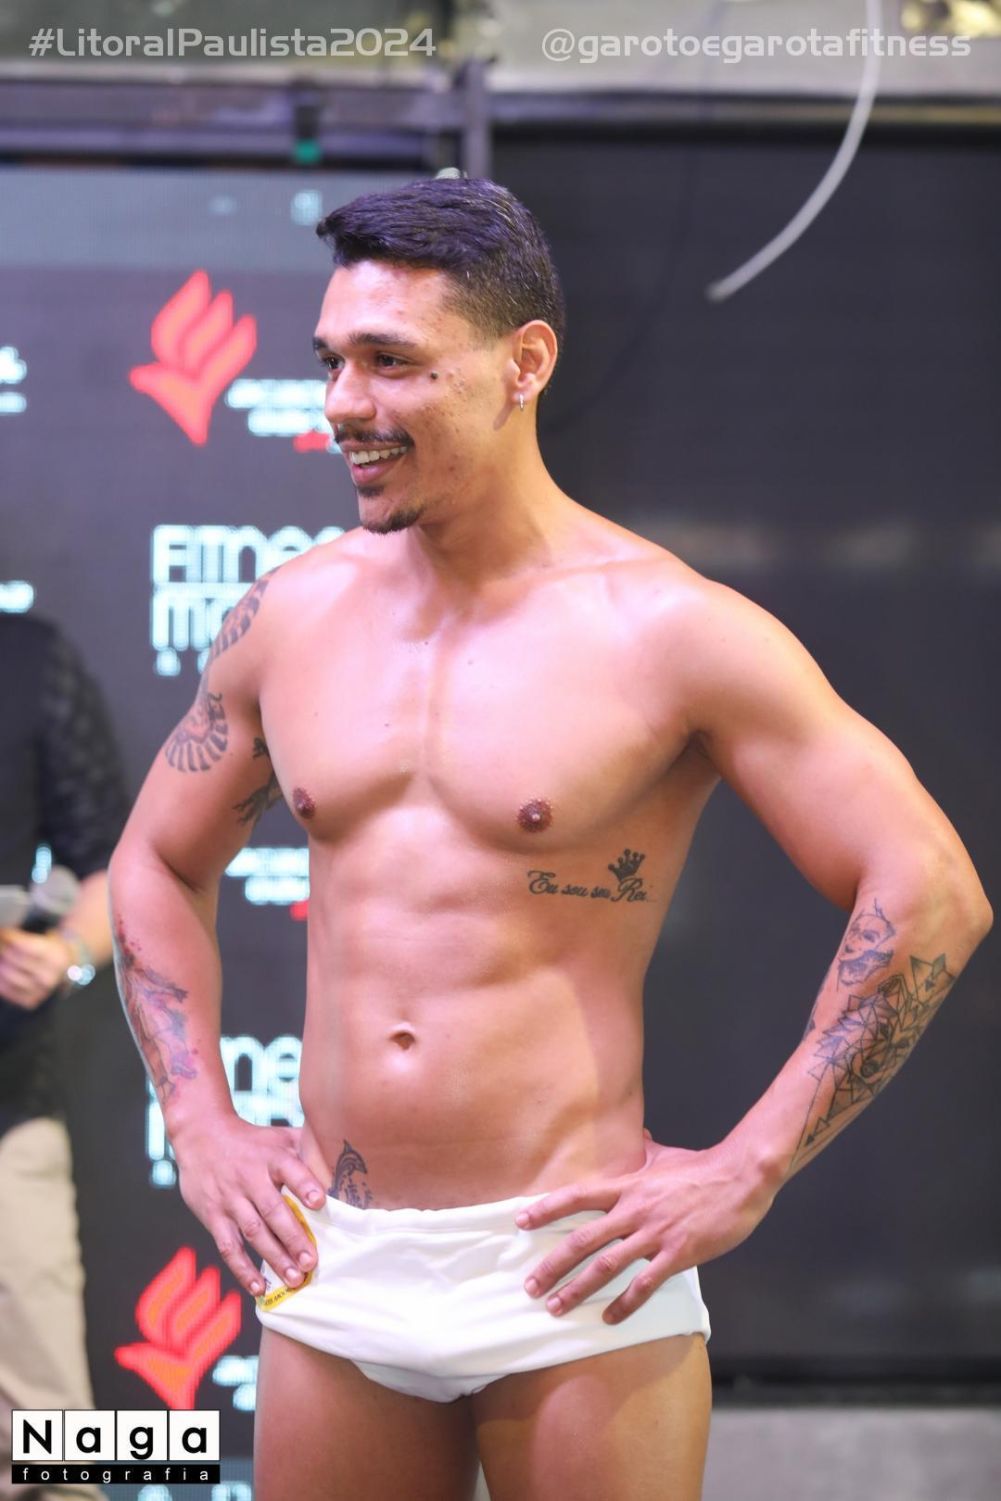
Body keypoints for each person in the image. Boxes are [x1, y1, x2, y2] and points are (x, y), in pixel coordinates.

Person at [107, 178, 992, 1501]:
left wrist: (752, 1164)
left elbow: (929, 889)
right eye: (332, 360)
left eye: (391, 361)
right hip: (338, 1257)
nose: (342, 401)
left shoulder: (669, 629)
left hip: (573, 1271)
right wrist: (197, 1116)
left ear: (523, 364)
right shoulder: (289, 616)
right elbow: (156, 861)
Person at [0, 611, 128, 1501]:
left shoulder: (29, 656)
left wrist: (68, 952)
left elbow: (121, 862)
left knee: (62, 1449)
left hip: (9, 1106)